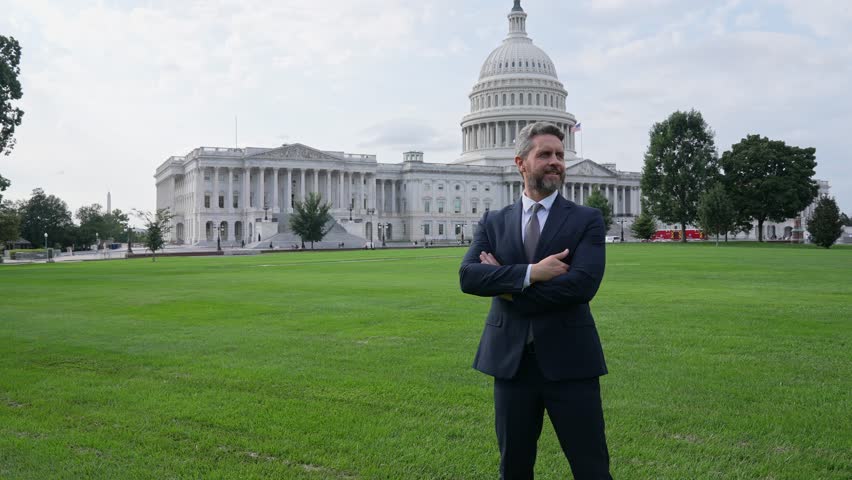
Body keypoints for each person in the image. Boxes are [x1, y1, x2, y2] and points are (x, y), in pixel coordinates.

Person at [459, 122, 611, 479]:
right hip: (511, 364)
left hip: (571, 361)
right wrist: (533, 273)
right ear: (521, 163)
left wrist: (506, 285)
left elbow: (581, 287)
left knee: (591, 467)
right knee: (513, 468)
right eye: (545, 154)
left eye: (560, 154)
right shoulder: (494, 221)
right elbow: (469, 277)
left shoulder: (587, 219)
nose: (556, 161)